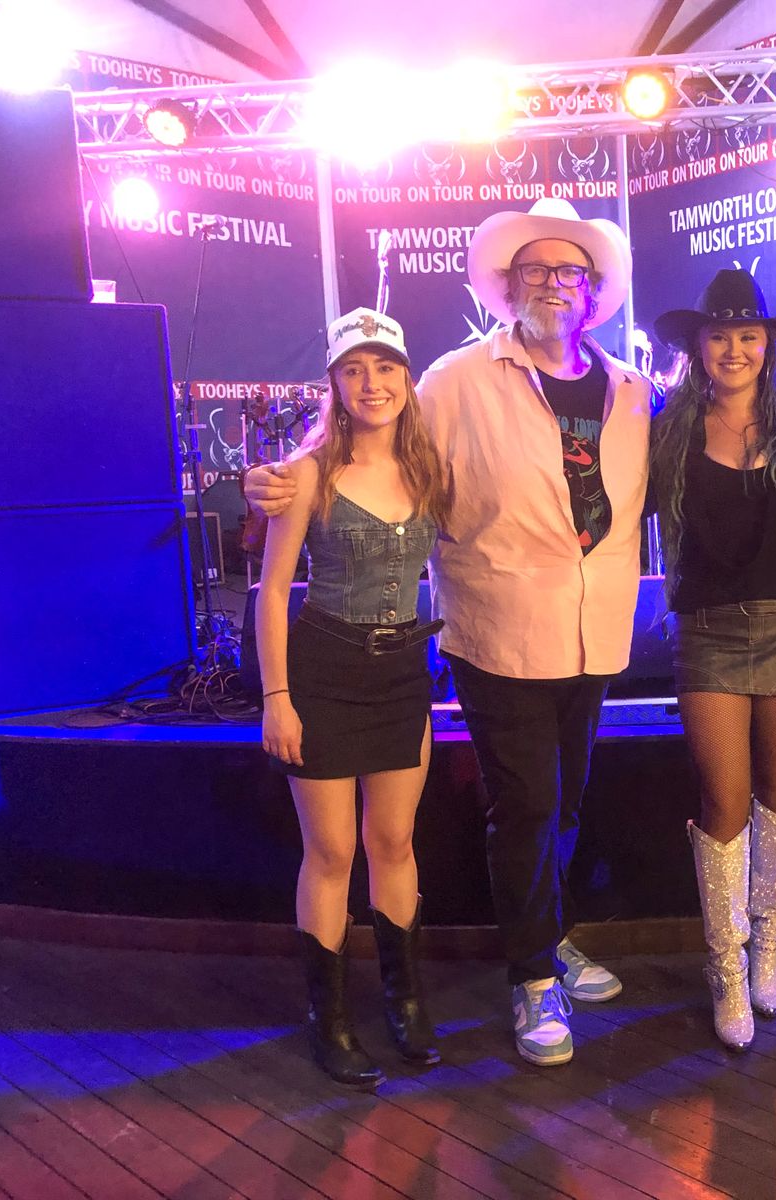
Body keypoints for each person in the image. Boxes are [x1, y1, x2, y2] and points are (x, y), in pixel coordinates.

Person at [247, 199, 654, 1068]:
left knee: (563, 802)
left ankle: (541, 940)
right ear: (509, 285)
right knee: (524, 804)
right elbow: (366, 445)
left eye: (569, 271)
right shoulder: (455, 380)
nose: (553, 284)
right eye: (536, 270)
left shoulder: (631, 390)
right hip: (496, 632)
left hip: (594, 634)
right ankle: (530, 977)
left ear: (593, 290)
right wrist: (272, 483)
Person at [256, 307, 448, 1089]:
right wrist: (276, 696)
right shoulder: (307, 473)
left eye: (385, 367)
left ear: (407, 377)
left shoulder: (432, 469)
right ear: (334, 383)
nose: (372, 384)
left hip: (402, 675)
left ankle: (405, 1003)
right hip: (324, 673)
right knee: (332, 851)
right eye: (354, 370)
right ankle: (329, 1020)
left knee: (394, 842)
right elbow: (273, 592)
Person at [650, 269, 776, 1051]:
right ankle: (725, 965)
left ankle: (769, 946)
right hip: (709, 632)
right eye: (719, 336)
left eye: (748, 335)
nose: (734, 349)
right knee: (724, 800)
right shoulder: (667, 429)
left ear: (769, 344)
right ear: (698, 346)